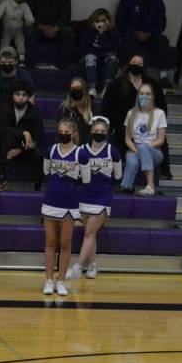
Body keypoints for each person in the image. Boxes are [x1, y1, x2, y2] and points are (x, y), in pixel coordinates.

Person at [68, 115, 120, 280]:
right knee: (91, 233)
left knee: (89, 232)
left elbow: (118, 176)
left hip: (102, 197)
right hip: (83, 196)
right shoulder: (81, 150)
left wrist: (105, 185)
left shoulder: (113, 151)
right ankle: (93, 264)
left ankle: (77, 267)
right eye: (96, 130)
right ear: (90, 131)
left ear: (107, 133)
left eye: (102, 131)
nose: (98, 133)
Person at [101, 53, 170, 177]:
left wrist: (157, 123)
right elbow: (106, 107)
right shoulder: (116, 84)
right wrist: (109, 126)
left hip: (148, 127)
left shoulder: (152, 83)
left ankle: (164, 172)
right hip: (122, 128)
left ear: (144, 67)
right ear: (128, 65)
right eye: (134, 63)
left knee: (161, 140)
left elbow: (162, 106)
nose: (136, 66)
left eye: (139, 64)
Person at [40, 118, 85, 296]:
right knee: (50, 242)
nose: (63, 135)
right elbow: (46, 172)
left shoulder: (80, 154)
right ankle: (49, 280)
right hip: (51, 200)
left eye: (67, 133)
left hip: (70, 203)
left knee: (65, 244)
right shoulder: (51, 150)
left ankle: (61, 280)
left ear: (73, 133)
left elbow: (86, 179)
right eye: (61, 132)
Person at [0, 78, 41, 191]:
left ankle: (38, 185)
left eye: (24, 95)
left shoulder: (34, 112)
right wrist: (24, 132)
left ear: (28, 96)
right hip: (6, 142)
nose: (21, 97)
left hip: (25, 146)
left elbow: (38, 137)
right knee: (7, 137)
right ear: (12, 94)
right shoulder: (4, 106)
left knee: (39, 152)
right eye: (17, 94)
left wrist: (21, 149)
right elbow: (1, 129)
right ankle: (0, 178)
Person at [119, 83, 165, 196]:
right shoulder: (130, 113)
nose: (144, 96)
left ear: (152, 96)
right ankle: (126, 187)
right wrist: (137, 151)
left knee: (144, 148)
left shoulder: (159, 113)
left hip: (154, 151)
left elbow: (161, 140)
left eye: (148, 94)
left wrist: (145, 148)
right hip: (134, 148)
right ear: (138, 96)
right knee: (133, 162)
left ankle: (150, 186)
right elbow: (127, 139)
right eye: (142, 94)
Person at [115, 0, 174, 83]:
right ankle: (127, 76)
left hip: (150, 35)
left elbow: (162, 23)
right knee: (127, 43)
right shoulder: (127, 0)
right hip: (131, 33)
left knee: (163, 40)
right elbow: (119, 20)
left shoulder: (158, 2)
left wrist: (150, 33)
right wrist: (135, 32)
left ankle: (163, 76)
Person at [0, 45, 34, 127]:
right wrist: (8, 112)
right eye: (3, 62)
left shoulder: (25, 76)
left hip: (21, 110)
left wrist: (17, 113)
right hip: (1, 110)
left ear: (16, 61)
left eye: (10, 62)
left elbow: (31, 102)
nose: (7, 64)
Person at [79, 8, 120, 98]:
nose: (100, 23)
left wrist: (101, 35)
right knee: (90, 56)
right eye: (97, 20)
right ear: (93, 21)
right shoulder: (88, 31)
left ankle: (106, 88)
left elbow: (112, 49)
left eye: (103, 20)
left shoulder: (114, 32)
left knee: (113, 58)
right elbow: (85, 49)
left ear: (108, 21)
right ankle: (92, 88)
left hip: (104, 58)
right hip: (88, 59)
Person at [25, 0, 76, 70]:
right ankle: (30, 66)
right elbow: (28, 14)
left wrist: (56, 28)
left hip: (58, 28)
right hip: (38, 27)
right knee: (29, 32)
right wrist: (40, 27)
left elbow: (67, 15)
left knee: (69, 32)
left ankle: (63, 65)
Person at [0, 0, 34, 66]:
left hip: (18, 28)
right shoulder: (6, 2)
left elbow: (29, 17)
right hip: (7, 27)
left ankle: (21, 59)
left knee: (20, 41)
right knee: (5, 41)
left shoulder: (25, 5)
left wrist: (30, 21)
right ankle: (2, 57)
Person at [58, 77, 93, 142]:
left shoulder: (92, 107)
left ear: (84, 90)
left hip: (89, 147)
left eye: (78, 88)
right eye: (72, 89)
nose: (75, 91)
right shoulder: (64, 108)